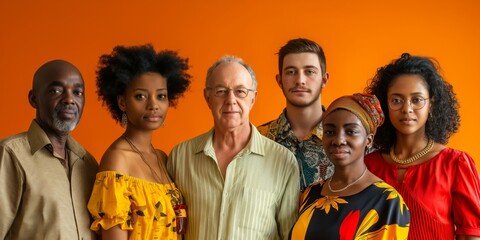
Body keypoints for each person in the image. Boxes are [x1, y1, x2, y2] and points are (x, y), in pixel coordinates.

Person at [167, 56, 300, 240]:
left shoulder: (283, 162)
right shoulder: (180, 157)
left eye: (240, 92)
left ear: (253, 98)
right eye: (221, 91)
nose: (231, 100)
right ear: (207, 97)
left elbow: (290, 236)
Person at [365, 53, 480, 239]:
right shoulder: (368, 166)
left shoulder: (455, 165)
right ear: (385, 104)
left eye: (417, 100)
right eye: (397, 100)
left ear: (431, 105)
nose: (407, 108)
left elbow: (470, 235)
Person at [87, 44, 191, 240]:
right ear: (122, 102)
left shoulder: (161, 157)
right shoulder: (117, 161)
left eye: (161, 96)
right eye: (140, 96)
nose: (153, 105)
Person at [0, 60, 99, 239]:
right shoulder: (10, 154)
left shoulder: (89, 164)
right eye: (56, 91)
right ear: (33, 98)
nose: (69, 99)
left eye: (77, 92)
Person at [290, 93, 410, 240]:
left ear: (369, 140)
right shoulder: (310, 193)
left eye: (351, 131)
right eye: (330, 132)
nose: (339, 140)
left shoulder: (386, 201)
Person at [258, 38, 334, 192]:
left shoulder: (347, 140)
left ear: (324, 80)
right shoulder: (257, 139)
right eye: (291, 72)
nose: (300, 80)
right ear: (279, 80)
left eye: (309, 72)